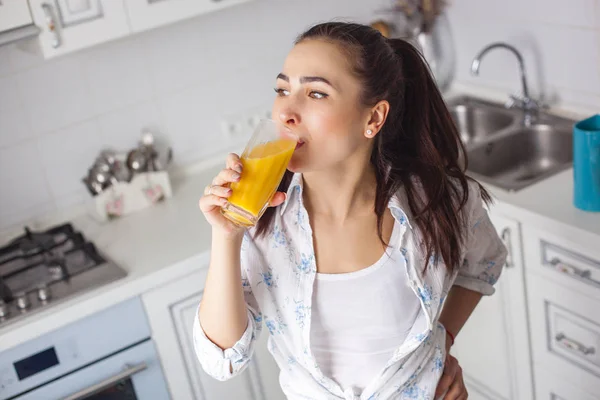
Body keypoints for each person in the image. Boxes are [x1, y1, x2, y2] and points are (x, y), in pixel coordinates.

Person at [194, 22, 507, 400]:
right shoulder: (259, 224)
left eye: (316, 93)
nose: (287, 112)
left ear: (373, 118)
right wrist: (226, 237)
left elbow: (485, 264)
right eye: (282, 90)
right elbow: (221, 360)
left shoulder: (440, 202)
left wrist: (440, 343)